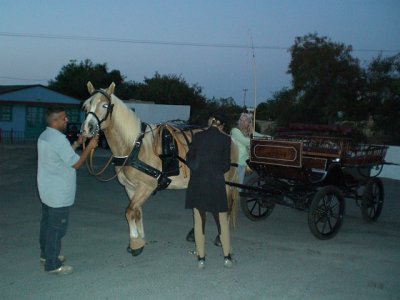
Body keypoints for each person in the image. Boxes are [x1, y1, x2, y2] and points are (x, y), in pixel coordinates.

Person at [37, 105, 98, 275]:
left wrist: (78, 143)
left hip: (48, 191)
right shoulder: (57, 139)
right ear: (55, 121)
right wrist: (89, 147)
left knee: (48, 226)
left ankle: (46, 255)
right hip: (58, 193)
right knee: (57, 229)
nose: (67, 120)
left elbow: (63, 157)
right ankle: (52, 264)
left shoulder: (46, 135)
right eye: (64, 118)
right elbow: (76, 163)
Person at [185, 112, 233, 269]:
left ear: (211, 122)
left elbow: (189, 158)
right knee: (222, 221)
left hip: (198, 183)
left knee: (199, 221)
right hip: (216, 184)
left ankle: (201, 258)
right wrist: (215, 170)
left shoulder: (198, 137)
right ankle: (227, 257)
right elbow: (226, 165)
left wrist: (199, 167)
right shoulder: (226, 140)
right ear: (222, 125)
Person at [230, 112, 263, 185]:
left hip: (247, 163)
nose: (242, 122)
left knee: (259, 174)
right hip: (238, 163)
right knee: (237, 187)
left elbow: (262, 136)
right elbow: (246, 141)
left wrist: (272, 138)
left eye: (245, 120)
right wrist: (255, 138)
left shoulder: (250, 133)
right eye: (241, 120)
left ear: (249, 123)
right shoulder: (235, 131)